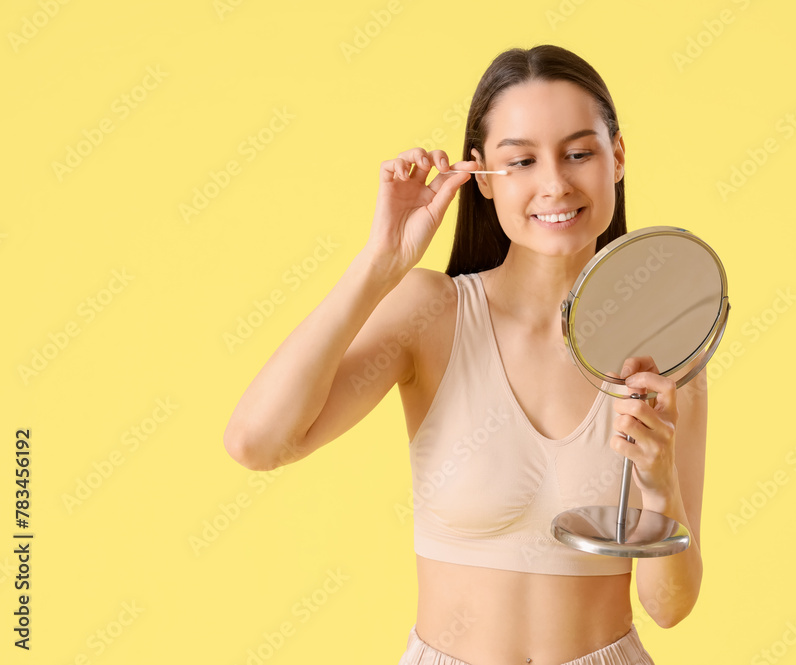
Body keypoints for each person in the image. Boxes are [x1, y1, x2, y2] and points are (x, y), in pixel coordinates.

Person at [224, 44, 707, 665]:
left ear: (616, 157)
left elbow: (670, 607)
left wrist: (659, 486)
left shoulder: (664, 351)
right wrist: (380, 265)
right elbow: (257, 443)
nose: (554, 183)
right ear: (480, 174)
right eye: (522, 160)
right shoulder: (432, 313)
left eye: (579, 153)